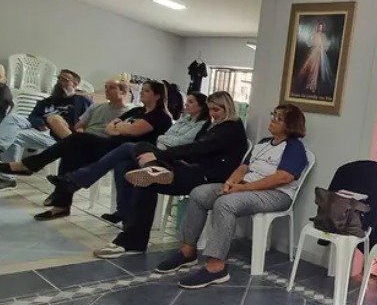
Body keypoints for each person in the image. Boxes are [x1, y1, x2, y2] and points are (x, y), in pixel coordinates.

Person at [161, 103, 309, 289]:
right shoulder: (264, 143)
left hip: (276, 194)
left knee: (225, 204)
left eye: (278, 118)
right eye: (273, 115)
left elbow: (283, 177)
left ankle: (216, 267)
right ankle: (187, 251)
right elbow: (244, 167)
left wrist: (245, 188)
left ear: (290, 125)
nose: (272, 120)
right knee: (199, 194)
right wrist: (230, 183)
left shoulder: (294, 147)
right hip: (246, 187)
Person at [87, 92, 247, 258]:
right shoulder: (215, 126)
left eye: (216, 110)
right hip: (192, 166)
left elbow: (198, 148)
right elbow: (194, 148)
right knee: (141, 147)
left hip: (206, 175)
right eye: (211, 109)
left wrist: (160, 156)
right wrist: (162, 156)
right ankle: (153, 170)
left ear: (227, 107)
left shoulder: (230, 128)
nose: (213, 114)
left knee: (145, 181)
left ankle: (133, 240)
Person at [0, 80, 172, 219]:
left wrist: (121, 127)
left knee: (76, 140)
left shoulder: (160, 116)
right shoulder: (137, 110)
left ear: (157, 95)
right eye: (142, 90)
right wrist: (122, 128)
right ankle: (59, 203)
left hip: (126, 152)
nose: (142, 93)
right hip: (109, 144)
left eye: (147, 91)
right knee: (72, 149)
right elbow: (109, 128)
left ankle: (33, 170)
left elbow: (132, 131)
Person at [47, 91, 211, 225]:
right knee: (121, 162)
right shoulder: (183, 120)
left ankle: (75, 180)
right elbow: (164, 136)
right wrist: (124, 128)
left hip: (170, 157)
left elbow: (182, 142)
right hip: (158, 151)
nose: (186, 105)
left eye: (191, 102)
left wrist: (162, 139)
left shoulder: (201, 124)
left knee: (125, 147)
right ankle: (123, 211)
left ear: (201, 106)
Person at [0, 69, 89, 189]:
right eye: (59, 78)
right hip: (43, 133)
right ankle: (7, 178)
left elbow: (86, 121)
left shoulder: (81, 101)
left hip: (63, 139)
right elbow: (33, 117)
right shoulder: (46, 102)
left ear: (75, 84)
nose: (60, 82)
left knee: (54, 118)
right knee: (13, 124)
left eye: (65, 79)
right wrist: (42, 123)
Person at [297, 21, 332, 93]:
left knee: (315, 70)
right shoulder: (314, 35)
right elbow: (309, 43)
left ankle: (313, 85)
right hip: (313, 52)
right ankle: (308, 83)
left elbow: (325, 45)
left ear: (323, 28)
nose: (320, 28)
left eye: (321, 27)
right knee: (310, 68)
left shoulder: (323, 36)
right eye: (319, 27)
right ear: (318, 27)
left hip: (319, 54)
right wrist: (312, 40)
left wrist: (322, 47)